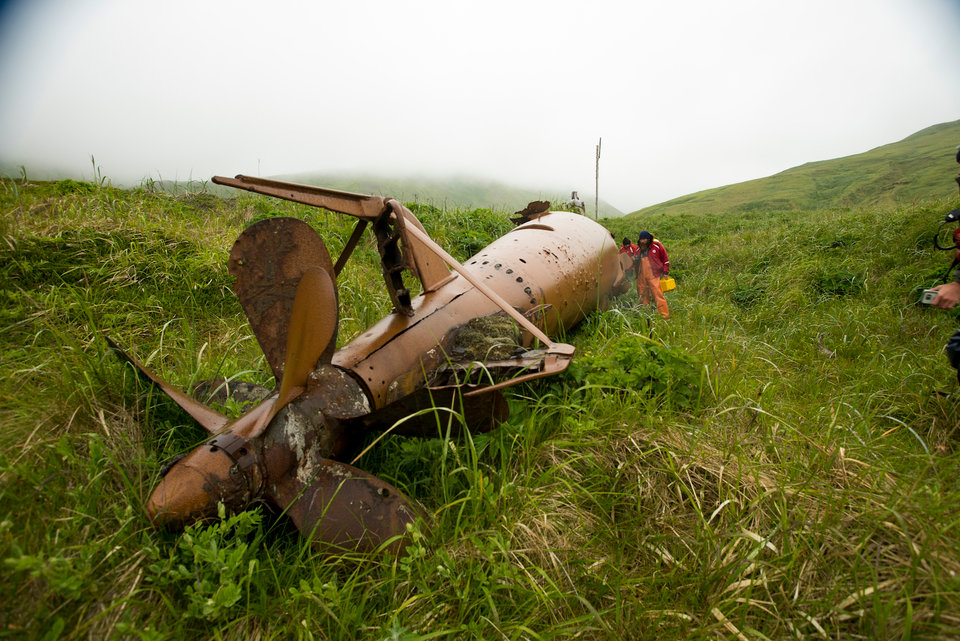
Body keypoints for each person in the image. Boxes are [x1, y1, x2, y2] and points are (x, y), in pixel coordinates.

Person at [635, 230, 670, 319]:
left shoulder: (657, 246)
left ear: (649, 239)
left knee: (657, 294)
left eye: (644, 239)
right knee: (642, 294)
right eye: (641, 239)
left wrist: (665, 272)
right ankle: (646, 313)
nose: (642, 241)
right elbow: (634, 262)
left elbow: (665, 259)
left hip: (654, 274)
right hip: (641, 275)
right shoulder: (638, 249)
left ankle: (664, 315)